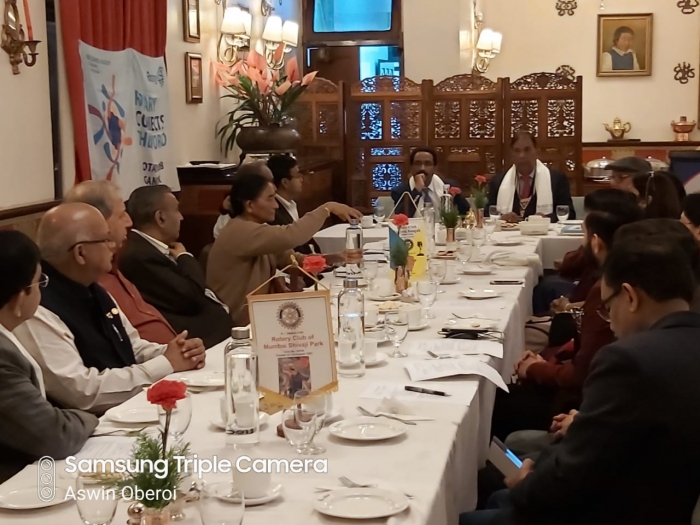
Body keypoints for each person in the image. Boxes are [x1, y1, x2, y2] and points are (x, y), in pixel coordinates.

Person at [462, 238, 700, 525]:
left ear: (630, 297)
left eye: (607, 308)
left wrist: (526, 484)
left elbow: (573, 472)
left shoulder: (629, 360)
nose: (610, 323)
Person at [14, 203, 206, 414]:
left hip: (130, 410)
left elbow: (132, 347)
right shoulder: (37, 307)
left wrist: (175, 352)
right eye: (106, 239)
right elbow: (81, 392)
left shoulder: (94, 288)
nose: (114, 245)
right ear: (80, 253)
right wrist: (166, 363)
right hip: (92, 426)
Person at [491, 202, 641, 441]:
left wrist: (536, 368)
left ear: (596, 242)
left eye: (584, 234)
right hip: (595, 398)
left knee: (499, 406)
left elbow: (583, 374)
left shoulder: (609, 288)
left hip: (581, 404)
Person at [208, 162, 362, 325]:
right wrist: (327, 208)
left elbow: (296, 262)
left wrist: (336, 257)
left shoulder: (258, 231)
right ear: (250, 205)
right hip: (237, 325)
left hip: (261, 316)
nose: (276, 205)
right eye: (270, 198)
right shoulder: (240, 231)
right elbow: (292, 235)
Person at [0, 231, 98, 483]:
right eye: (39, 282)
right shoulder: (2, 357)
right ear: (20, 297)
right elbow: (56, 436)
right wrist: (92, 418)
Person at [64, 181, 177, 344]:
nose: (129, 222)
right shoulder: (90, 280)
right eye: (122, 215)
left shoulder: (114, 263)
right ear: (98, 221)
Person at [120, 185, 232, 348]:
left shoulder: (151, 249)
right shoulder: (140, 256)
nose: (181, 217)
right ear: (161, 218)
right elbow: (192, 297)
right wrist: (185, 257)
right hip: (195, 344)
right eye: (177, 210)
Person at [531, 188, 638, 315]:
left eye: (584, 233)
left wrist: (568, 307)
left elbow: (597, 309)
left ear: (596, 242)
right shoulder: (632, 249)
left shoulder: (607, 281)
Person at [487, 132, 574, 223]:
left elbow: (569, 214)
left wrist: (546, 218)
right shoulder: (498, 182)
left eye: (527, 150)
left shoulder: (557, 179)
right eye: (517, 151)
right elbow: (488, 214)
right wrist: (502, 218)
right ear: (511, 154)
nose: (522, 155)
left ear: (536, 151)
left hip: (543, 231)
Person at [391, 147, 470, 217]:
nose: (422, 168)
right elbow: (401, 218)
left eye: (428, 164)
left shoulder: (449, 187)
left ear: (435, 168)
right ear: (411, 167)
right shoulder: (400, 191)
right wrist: (416, 191)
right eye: (417, 164)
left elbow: (466, 213)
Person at [267, 154, 322, 254]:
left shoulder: (291, 204)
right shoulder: (274, 213)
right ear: (285, 182)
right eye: (297, 175)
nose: (302, 179)